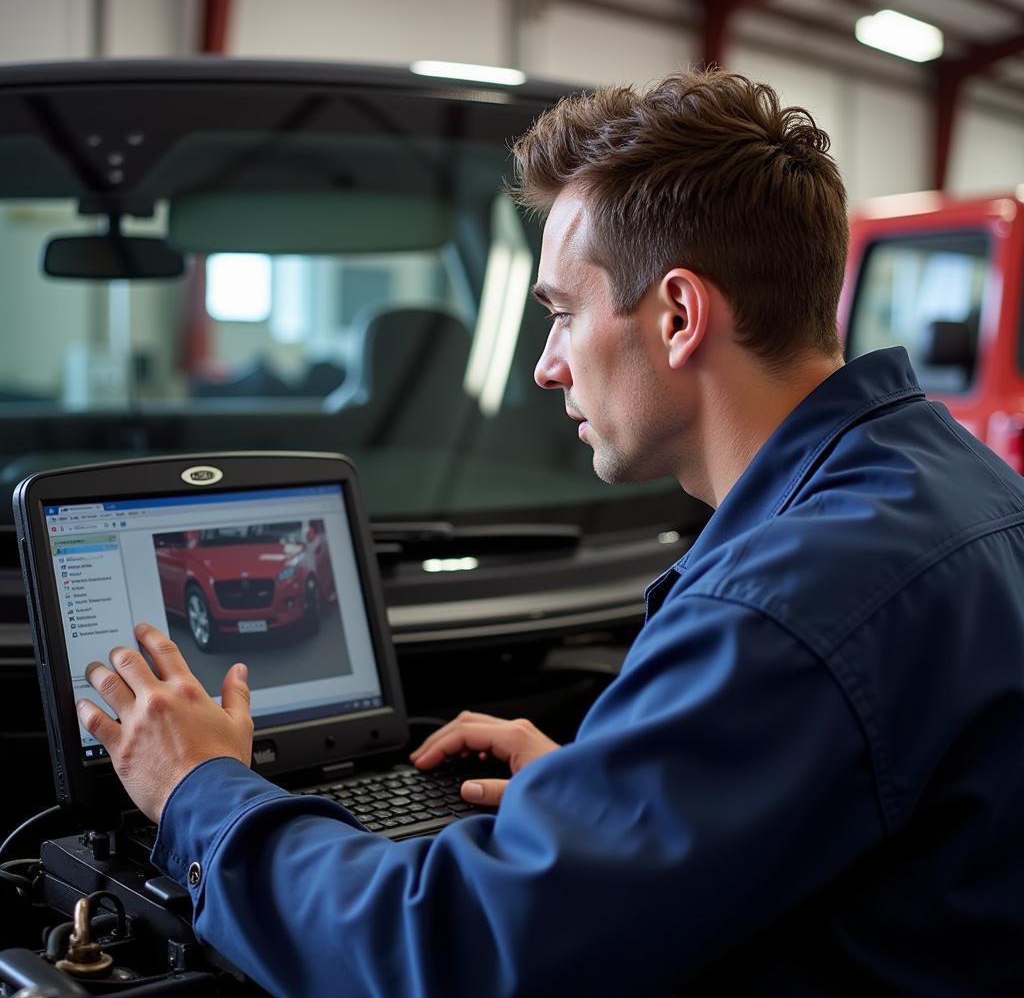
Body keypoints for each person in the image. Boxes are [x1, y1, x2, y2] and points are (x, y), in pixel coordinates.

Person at [77, 70, 1024, 997]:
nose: (545, 367)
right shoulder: (948, 482)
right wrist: (607, 791)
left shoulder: (785, 605)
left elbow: (454, 953)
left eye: (564, 313)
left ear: (680, 315)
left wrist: (201, 791)